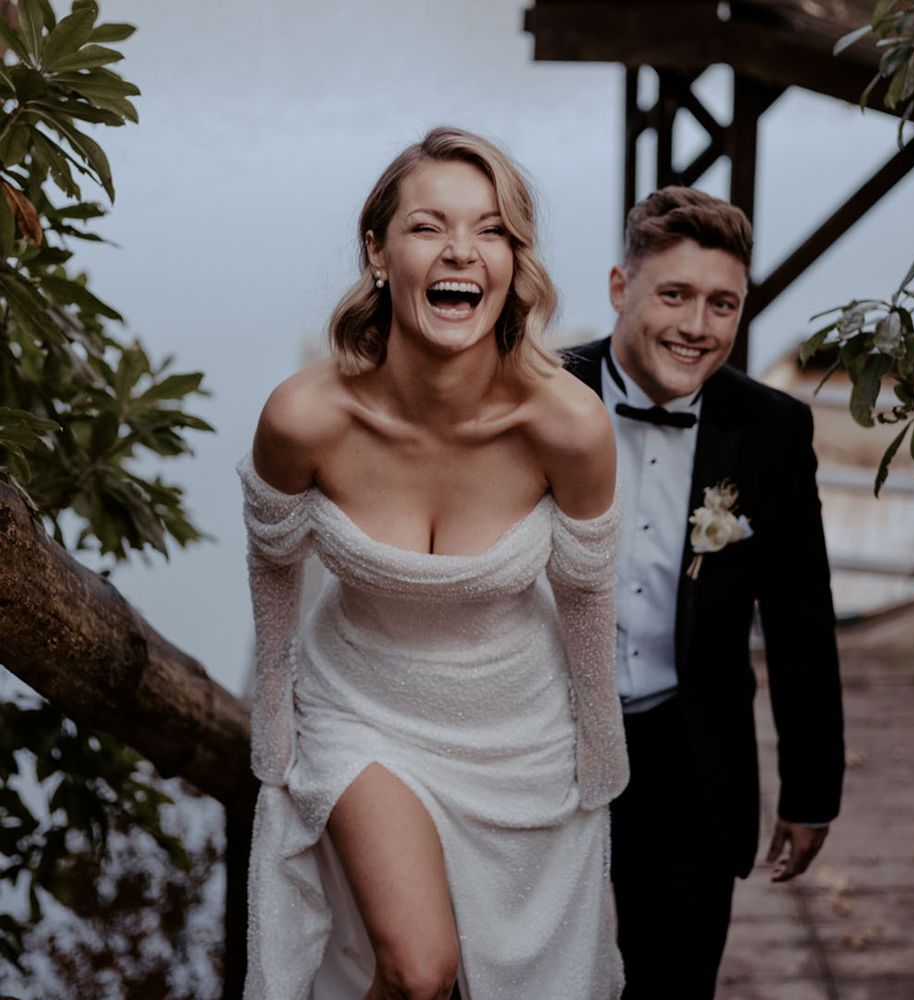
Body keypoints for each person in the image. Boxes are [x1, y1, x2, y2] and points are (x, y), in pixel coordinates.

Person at [237, 126, 628, 1000]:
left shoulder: (568, 426)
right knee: (420, 971)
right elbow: (274, 566)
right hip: (360, 707)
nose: (461, 251)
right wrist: (274, 716)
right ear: (378, 252)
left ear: (514, 262)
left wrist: (601, 749)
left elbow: (584, 593)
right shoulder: (304, 419)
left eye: (492, 229)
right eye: (428, 226)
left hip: (520, 733)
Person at [564, 186, 845, 999]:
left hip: (688, 756)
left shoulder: (773, 430)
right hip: (545, 743)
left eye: (722, 304)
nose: (697, 326)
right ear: (621, 287)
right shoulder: (538, 394)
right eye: (674, 295)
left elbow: (800, 622)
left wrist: (811, 790)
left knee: (676, 982)